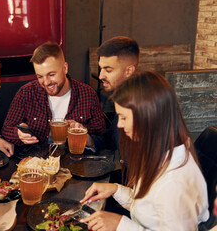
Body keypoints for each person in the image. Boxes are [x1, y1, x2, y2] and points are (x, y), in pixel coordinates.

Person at [80, 70, 209, 230]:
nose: (119, 125)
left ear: (148, 118)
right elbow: (149, 208)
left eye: (124, 117)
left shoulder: (175, 183)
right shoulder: (160, 152)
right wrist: (116, 189)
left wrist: (119, 224)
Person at [2, 41, 105, 147]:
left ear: (65, 68)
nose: (46, 83)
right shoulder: (26, 93)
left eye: (51, 74)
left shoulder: (87, 94)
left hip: (75, 160)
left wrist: (85, 136)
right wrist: (18, 134)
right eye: (40, 76)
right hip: (37, 160)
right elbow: (6, 130)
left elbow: (103, 139)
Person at [97, 36, 139, 151]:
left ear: (129, 71)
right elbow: (112, 142)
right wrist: (88, 140)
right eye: (101, 69)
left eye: (108, 70)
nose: (101, 76)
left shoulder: (141, 105)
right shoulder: (123, 98)